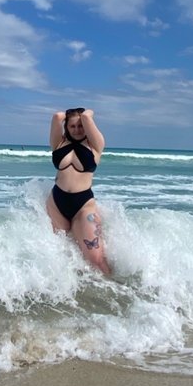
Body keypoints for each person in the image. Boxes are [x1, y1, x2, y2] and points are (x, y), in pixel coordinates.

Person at [46, 108, 111, 275]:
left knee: (96, 259)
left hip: (83, 206)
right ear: (66, 127)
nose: (77, 130)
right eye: (72, 126)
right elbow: (57, 117)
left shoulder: (95, 145)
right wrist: (69, 116)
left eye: (81, 126)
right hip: (56, 203)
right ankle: (75, 289)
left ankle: (113, 287)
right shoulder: (59, 143)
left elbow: (87, 117)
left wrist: (86, 115)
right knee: (63, 255)